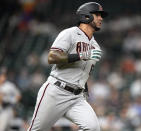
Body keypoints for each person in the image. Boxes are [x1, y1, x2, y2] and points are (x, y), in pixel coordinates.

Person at [28, 2, 108, 131]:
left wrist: (84, 89)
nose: (101, 18)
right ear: (86, 16)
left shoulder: (95, 46)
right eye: (97, 14)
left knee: (92, 128)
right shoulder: (69, 33)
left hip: (77, 97)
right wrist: (83, 54)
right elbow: (52, 57)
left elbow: (83, 72)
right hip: (56, 91)